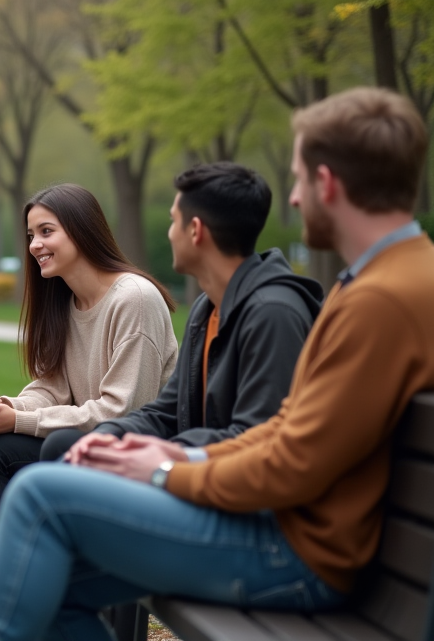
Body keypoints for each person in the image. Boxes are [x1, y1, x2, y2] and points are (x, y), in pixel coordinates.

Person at [0, 87, 434, 641]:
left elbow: (291, 462)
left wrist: (168, 470)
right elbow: (287, 433)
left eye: (297, 179)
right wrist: (165, 449)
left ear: (326, 183)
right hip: (285, 528)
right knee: (48, 570)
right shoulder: (379, 282)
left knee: (39, 496)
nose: (290, 199)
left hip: (295, 551)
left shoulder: (378, 298)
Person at [0, 183, 179, 641]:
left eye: (46, 231)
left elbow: (123, 410)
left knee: (50, 445)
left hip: (139, 463)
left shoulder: (134, 299)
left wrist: (22, 420)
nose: (35, 246)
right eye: (31, 234)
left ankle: (38, 614)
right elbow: (52, 389)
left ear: (83, 231)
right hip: (86, 449)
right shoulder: (66, 302)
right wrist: (6, 409)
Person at [43, 163, 322, 462]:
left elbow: (259, 440)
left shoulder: (273, 314)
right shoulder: (207, 308)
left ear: (196, 231)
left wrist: (168, 454)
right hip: (192, 469)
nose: (170, 233)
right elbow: (167, 412)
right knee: (64, 447)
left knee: (40, 486)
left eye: (173, 221)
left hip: (236, 495)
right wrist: (107, 435)